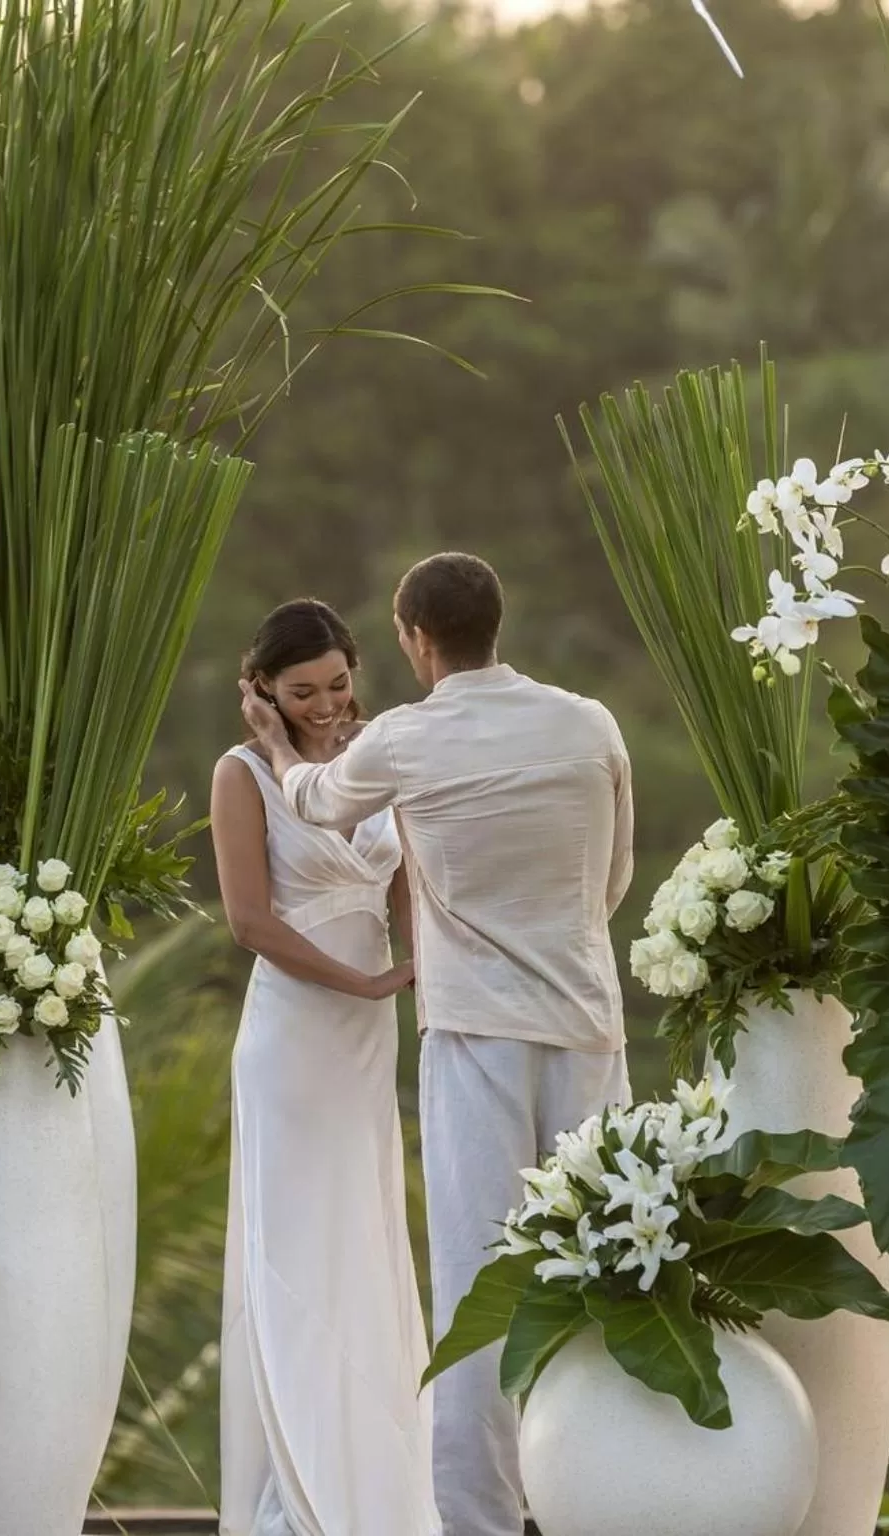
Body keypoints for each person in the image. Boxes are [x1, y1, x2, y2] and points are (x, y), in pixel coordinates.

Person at [240, 553, 634, 1536]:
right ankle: (617, 1499)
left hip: (474, 1035)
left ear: (413, 639)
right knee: (613, 1263)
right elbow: (612, 879)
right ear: (496, 621)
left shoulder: (407, 740)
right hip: (587, 1023)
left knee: (477, 1289)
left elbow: (311, 802)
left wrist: (274, 747)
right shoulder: (589, 726)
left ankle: (481, 1525)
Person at [212, 598, 441, 1536]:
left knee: (364, 1233)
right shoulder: (242, 774)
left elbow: (410, 889)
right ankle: (300, 1492)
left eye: (338, 683)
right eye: (300, 691)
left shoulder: (376, 758)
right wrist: (365, 980)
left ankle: (379, 1479)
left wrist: (427, 981)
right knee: (298, 1243)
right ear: (261, 690)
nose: (324, 703)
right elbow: (249, 922)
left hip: (369, 1032)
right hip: (298, 1035)